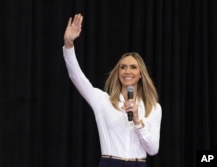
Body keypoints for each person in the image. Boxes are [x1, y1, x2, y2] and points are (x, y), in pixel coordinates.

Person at [62, 13, 162, 167]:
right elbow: (77, 77)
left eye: (133, 67)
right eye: (123, 67)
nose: (127, 71)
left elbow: (153, 150)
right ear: (118, 73)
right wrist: (69, 44)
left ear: (141, 74)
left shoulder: (154, 108)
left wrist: (137, 121)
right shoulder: (102, 100)